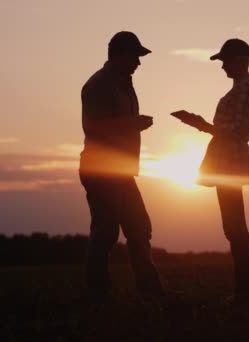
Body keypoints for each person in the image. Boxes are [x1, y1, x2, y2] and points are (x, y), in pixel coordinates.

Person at [171, 38, 249, 302]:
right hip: (227, 160)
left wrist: (200, 124)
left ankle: (246, 289)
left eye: (225, 61)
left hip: (230, 161)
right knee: (233, 226)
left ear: (239, 61)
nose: (222, 67)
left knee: (235, 227)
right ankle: (247, 287)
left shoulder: (245, 90)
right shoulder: (242, 89)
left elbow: (238, 131)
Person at [79, 31, 164, 301]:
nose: (138, 63)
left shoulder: (122, 83)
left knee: (139, 228)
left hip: (121, 171)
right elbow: (92, 127)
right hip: (102, 170)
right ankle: (97, 294)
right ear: (119, 56)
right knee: (105, 232)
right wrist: (133, 124)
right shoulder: (99, 85)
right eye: (135, 57)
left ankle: (150, 290)